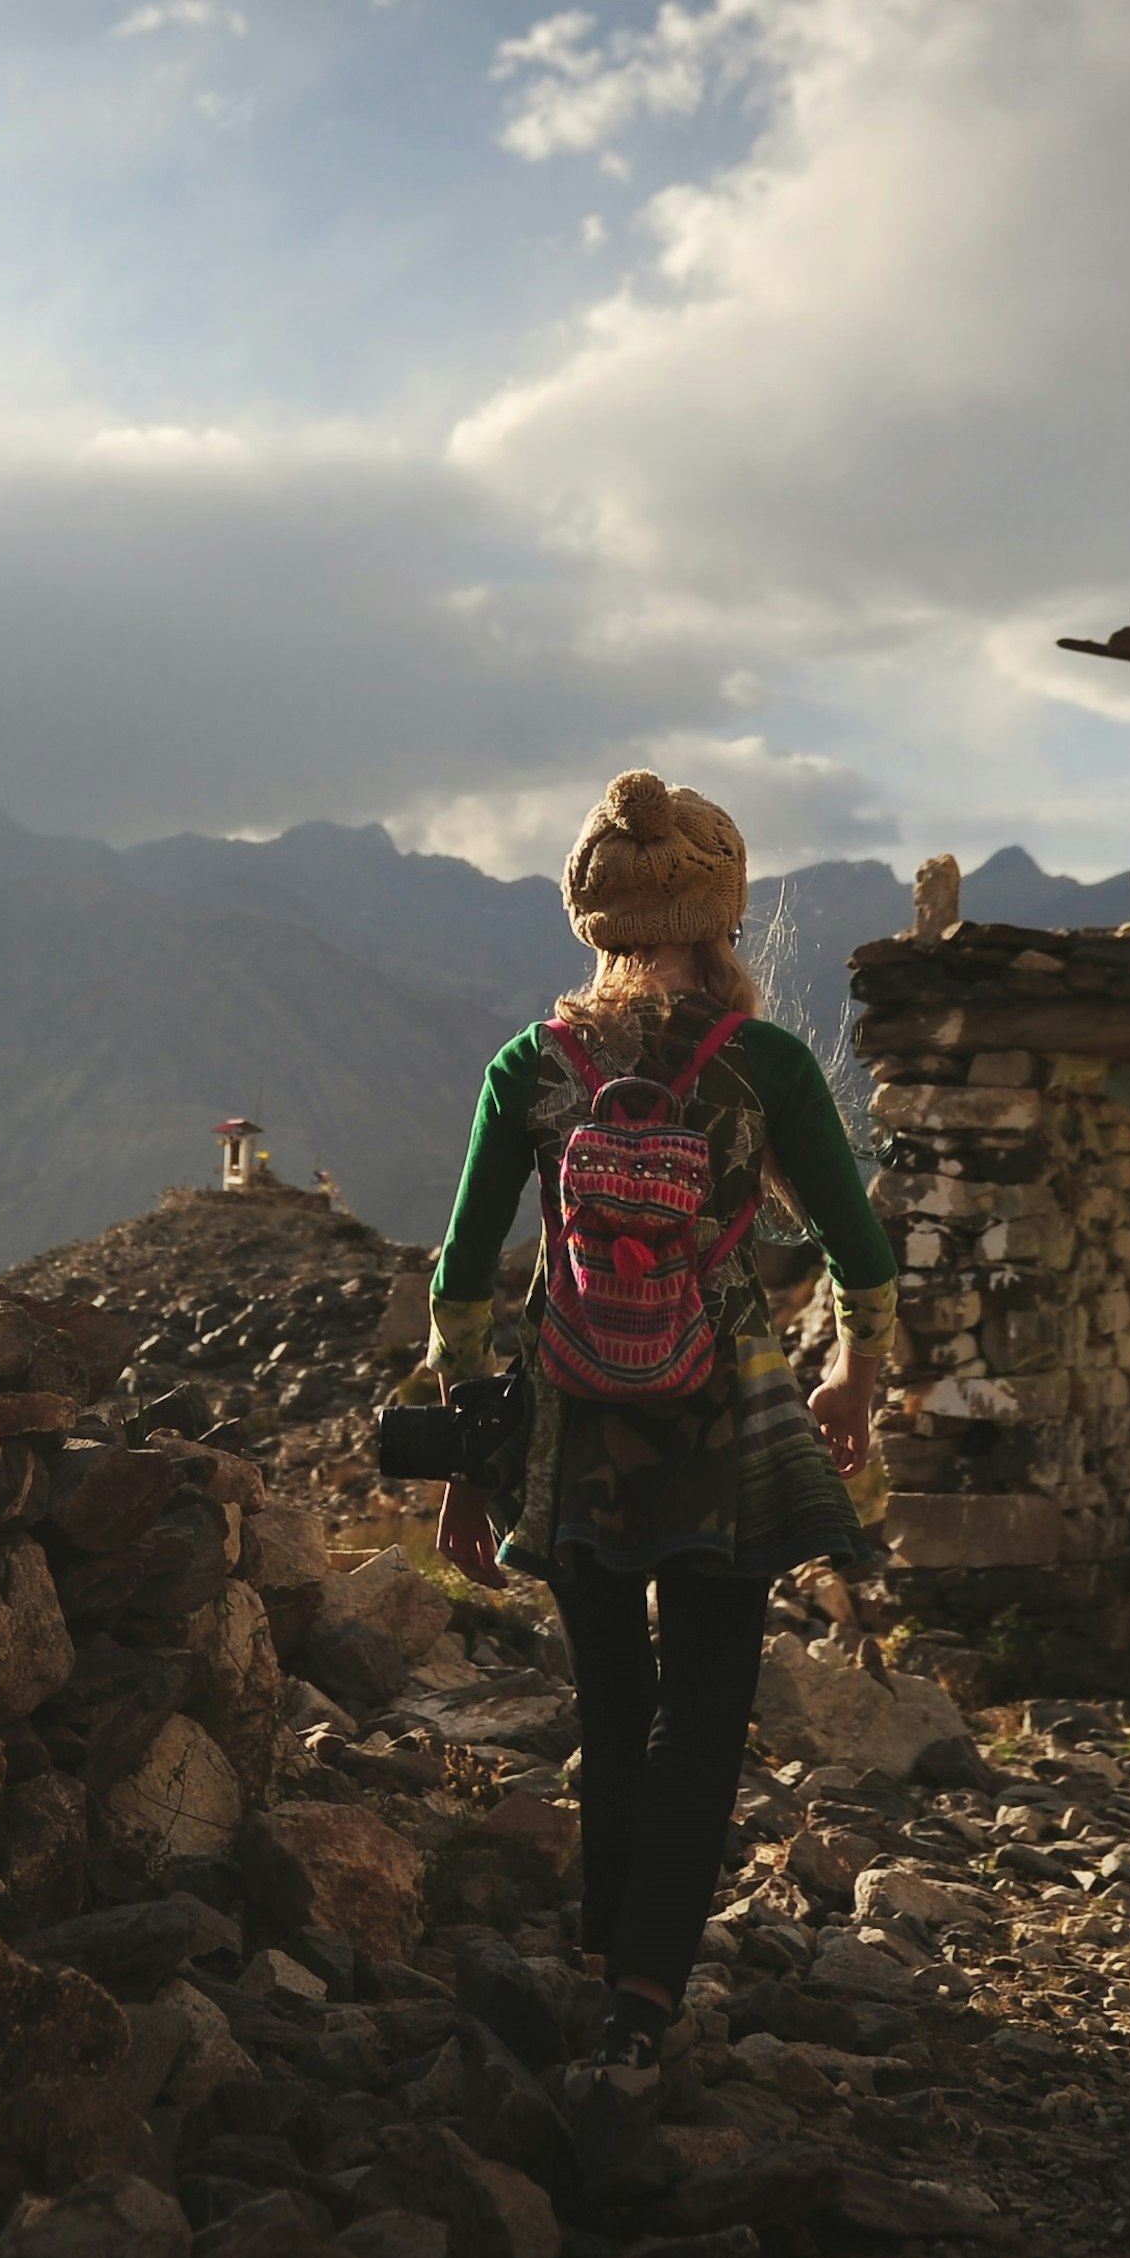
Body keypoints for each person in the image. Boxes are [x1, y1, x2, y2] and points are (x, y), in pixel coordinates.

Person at [426, 770, 899, 2068]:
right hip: (725, 1423)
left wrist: (468, 1469)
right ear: (722, 917)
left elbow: (464, 1282)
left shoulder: (532, 1067)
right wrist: (854, 1377)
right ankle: (643, 1996)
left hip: (569, 1424)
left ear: (593, 921)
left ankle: (593, 1948)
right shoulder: (763, 1066)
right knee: (700, 1709)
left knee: (609, 1693)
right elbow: (860, 1254)